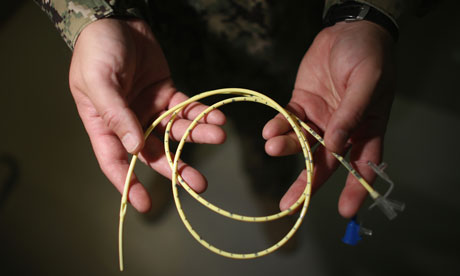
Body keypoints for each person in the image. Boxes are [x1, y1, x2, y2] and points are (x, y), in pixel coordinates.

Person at [34, 0, 407, 218]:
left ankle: (268, 194)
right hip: (158, 34)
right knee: (167, 117)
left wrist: (366, 13)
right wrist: (93, 14)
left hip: (283, 38)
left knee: (284, 129)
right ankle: (171, 169)